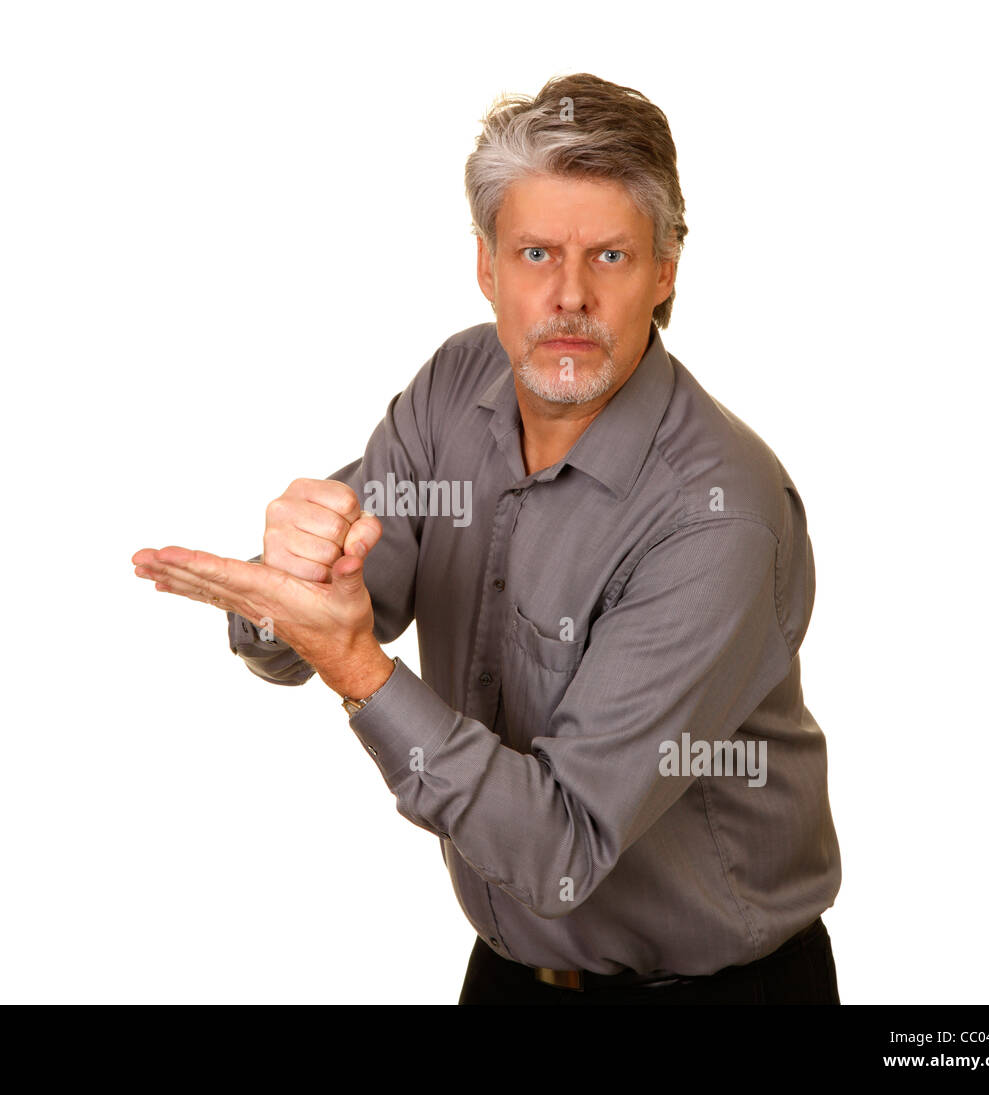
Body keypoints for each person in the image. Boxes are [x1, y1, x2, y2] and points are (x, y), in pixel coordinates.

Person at [132, 72, 842, 1004]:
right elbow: (329, 612)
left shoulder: (718, 515)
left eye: (613, 257)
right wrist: (285, 589)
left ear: (666, 270)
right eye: (537, 251)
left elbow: (559, 847)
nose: (570, 296)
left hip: (719, 993)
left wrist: (357, 669)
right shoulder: (457, 387)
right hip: (509, 974)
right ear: (487, 265)